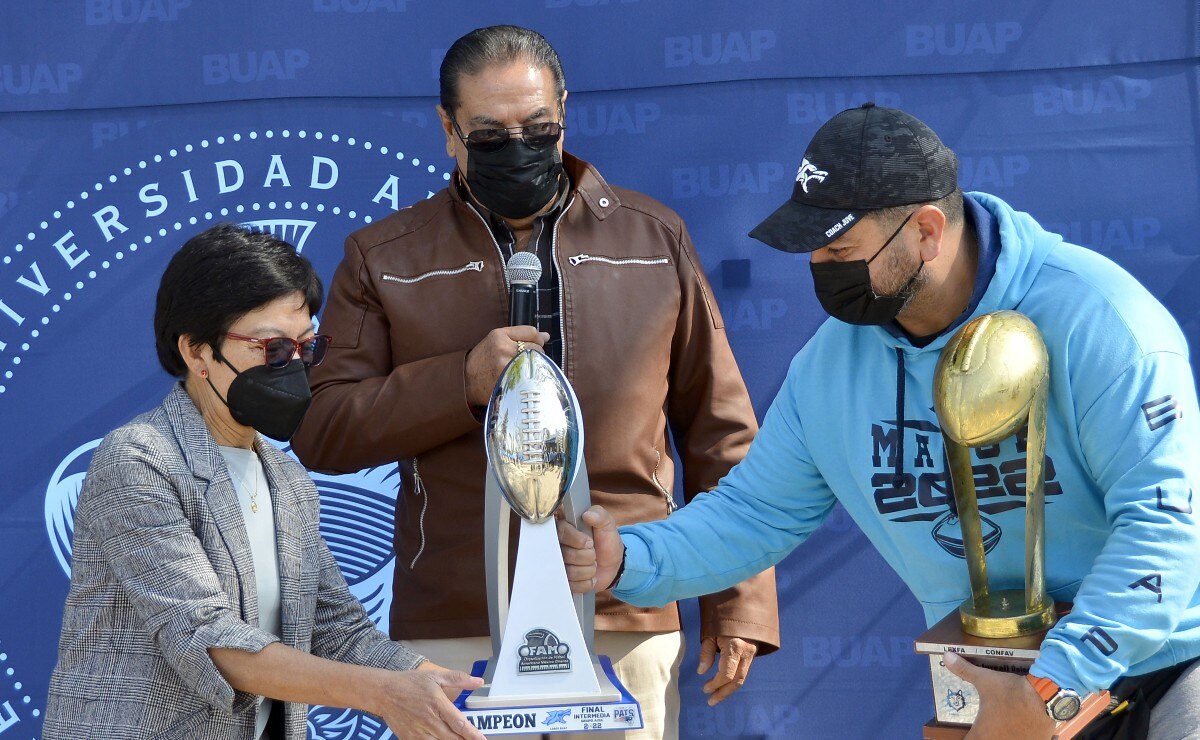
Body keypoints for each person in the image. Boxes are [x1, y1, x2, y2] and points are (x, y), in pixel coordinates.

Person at [559, 104, 1200, 739]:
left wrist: (1050, 690)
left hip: (1164, 673)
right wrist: (629, 558)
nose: (820, 268)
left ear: (926, 231)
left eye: (840, 247)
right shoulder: (831, 366)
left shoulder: (1104, 323)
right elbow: (754, 516)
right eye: (814, 249)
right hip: (993, 690)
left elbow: (1164, 527)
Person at [290, 24, 779, 738]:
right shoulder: (383, 257)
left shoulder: (654, 239)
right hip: (458, 625)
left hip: (625, 604)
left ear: (565, 114)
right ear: (448, 131)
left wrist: (739, 602)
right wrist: (462, 382)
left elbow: (723, 432)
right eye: (489, 135)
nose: (517, 149)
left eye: (537, 128)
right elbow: (322, 428)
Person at [43, 224, 484, 740]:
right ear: (197, 352)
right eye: (273, 349)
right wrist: (386, 695)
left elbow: (337, 630)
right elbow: (210, 640)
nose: (294, 367)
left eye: (305, 347)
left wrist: (453, 690)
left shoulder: (287, 478)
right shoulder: (139, 458)